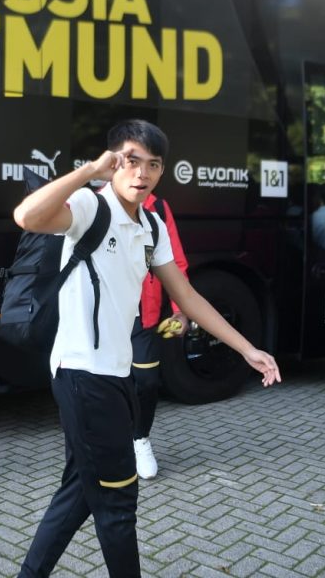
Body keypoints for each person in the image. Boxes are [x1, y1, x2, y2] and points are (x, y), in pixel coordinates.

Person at [14, 120, 280, 578]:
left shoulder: (152, 224)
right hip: (82, 374)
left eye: (153, 164)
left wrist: (245, 348)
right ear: (114, 161)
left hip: (116, 373)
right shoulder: (89, 207)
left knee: (80, 489)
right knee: (118, 500)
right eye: (131, 161)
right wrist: (87, 172)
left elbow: (189, 296)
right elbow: (28, 217)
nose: (143, 173)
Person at [132, 193, 190, 480]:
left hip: (146, 316)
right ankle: (113, 443)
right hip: (106, 318)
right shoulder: (95, 203)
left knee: (146, 381)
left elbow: (176, 263)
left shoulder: (159, 208)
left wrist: (181, 310)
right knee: (108, 386)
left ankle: (140, 438)